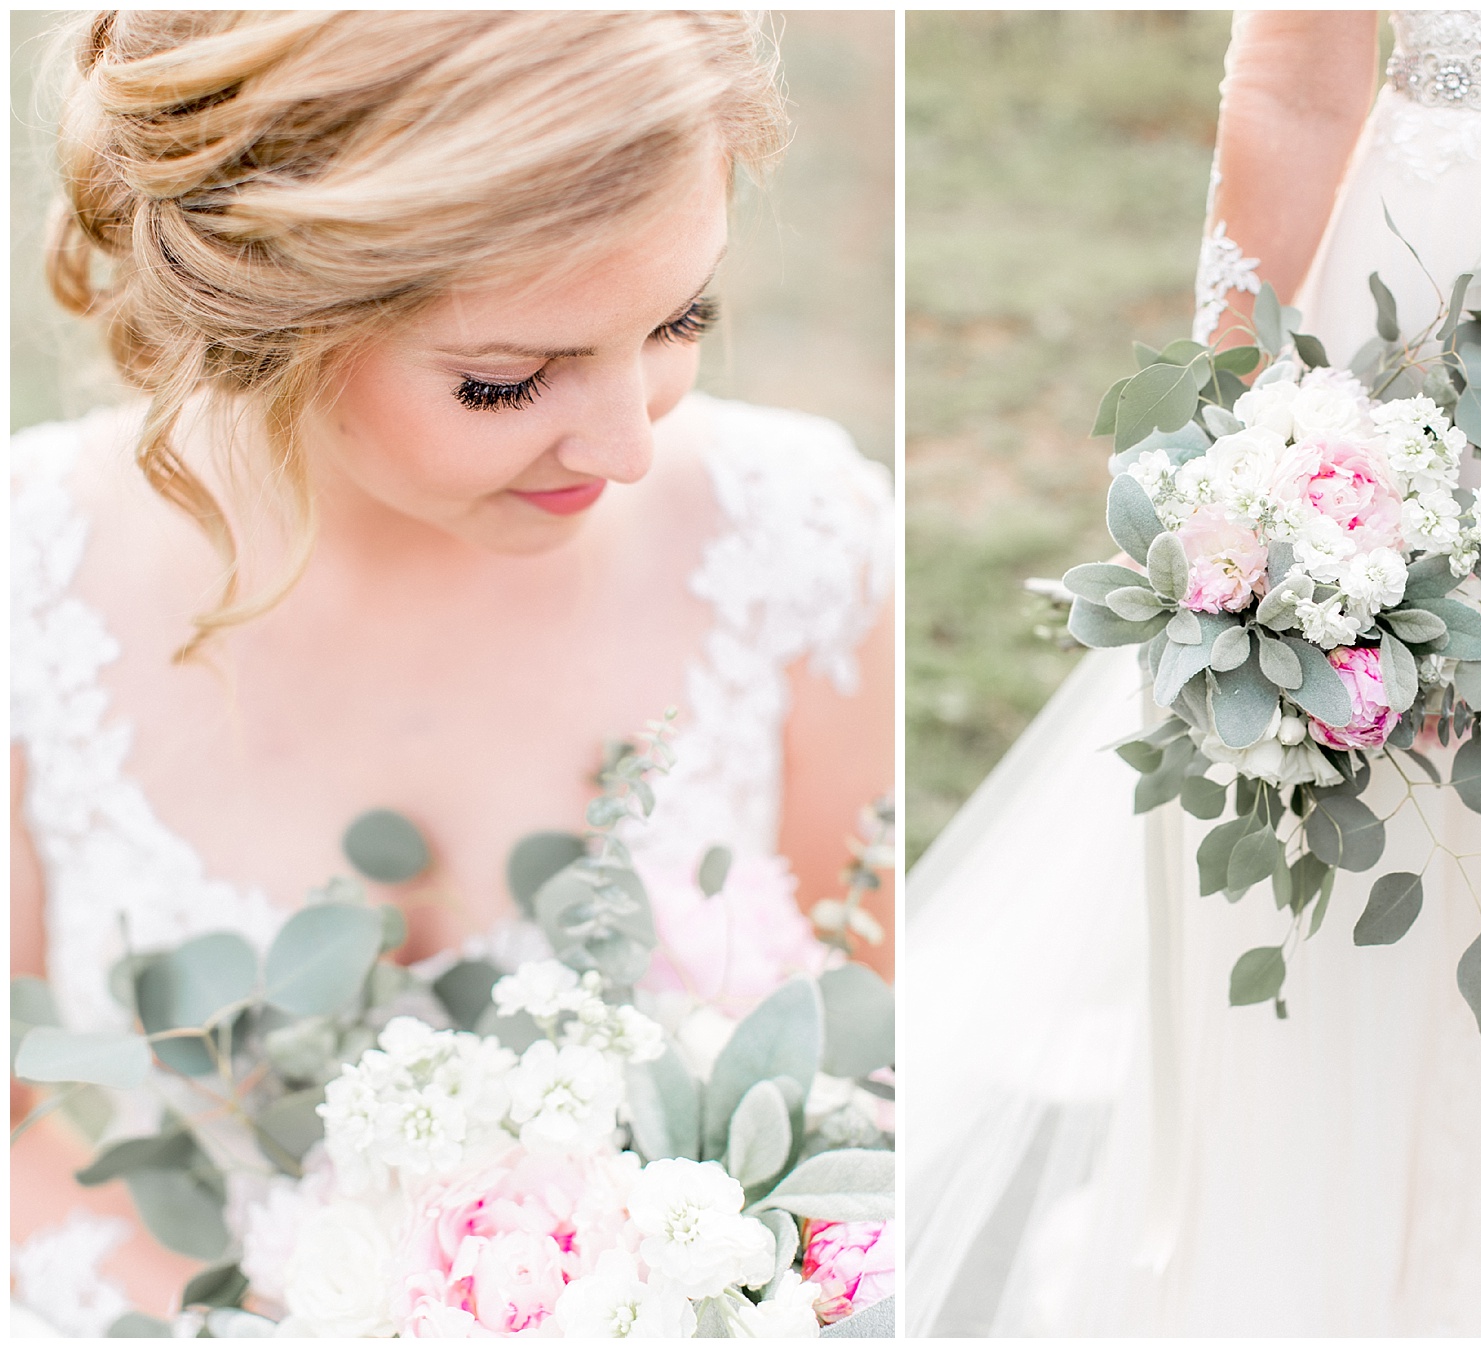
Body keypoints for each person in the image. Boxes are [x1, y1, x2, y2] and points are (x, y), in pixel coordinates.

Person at [11, 11, 893, 1331]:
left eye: (677, 318)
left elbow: (868, 1082)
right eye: (509, 380)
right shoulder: (34, 582)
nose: (626, 443)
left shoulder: (795, 542)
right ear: (269, 308)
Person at [908, 10, 1481, 1335]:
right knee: (1433, 796)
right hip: (1461, 314)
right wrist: (1235, 417)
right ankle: (1390, 1252)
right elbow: (1296, 90)